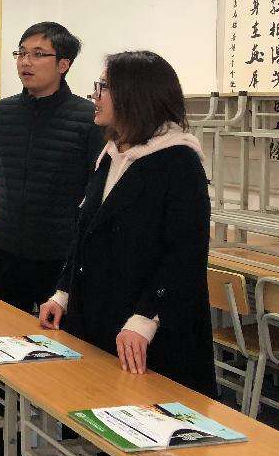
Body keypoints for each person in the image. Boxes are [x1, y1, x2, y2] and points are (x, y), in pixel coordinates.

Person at [0, 21, 103, 456]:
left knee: (64, 353)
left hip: (63, 259)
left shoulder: (87, 118)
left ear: (64, 64)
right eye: (21, 53)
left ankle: (69, 445)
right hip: (8, 247)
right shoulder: (1, 113)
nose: (25, 62)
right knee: (4, 348)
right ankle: (6, 435)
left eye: (37, 54)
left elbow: (95, 188)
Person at [39, 51, 216, 397]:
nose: (95, 95)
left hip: (147, 332)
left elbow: (185, 254)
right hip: (98, 318)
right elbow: (85, 234)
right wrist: (63, 293)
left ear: (135, 94)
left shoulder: (178, 161)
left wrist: (145, 319)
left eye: (103, 87)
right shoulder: (111, 154)